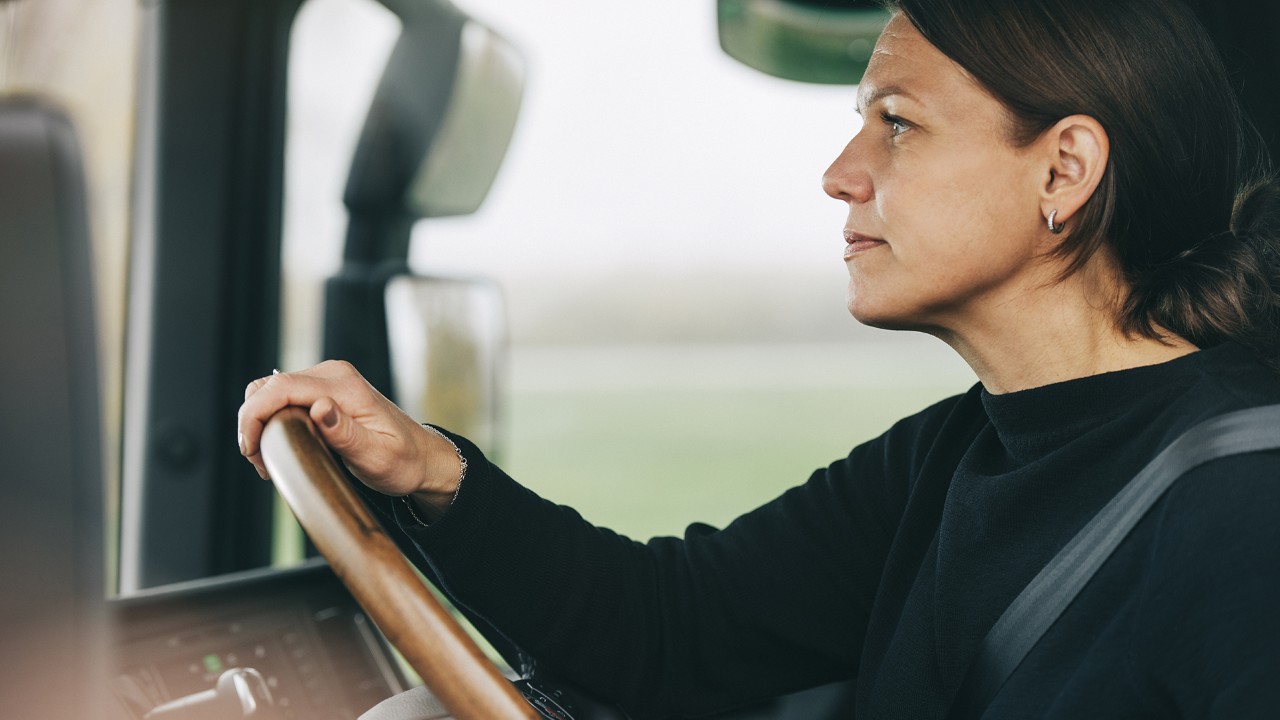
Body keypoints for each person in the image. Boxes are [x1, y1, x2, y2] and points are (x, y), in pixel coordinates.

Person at [237, 0, 1280, 717]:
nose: (839, 173)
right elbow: (672, 631)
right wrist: (430, 472)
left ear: (1063, 168)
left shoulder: (1242, 510)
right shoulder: (955, 451)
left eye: (897, 123)